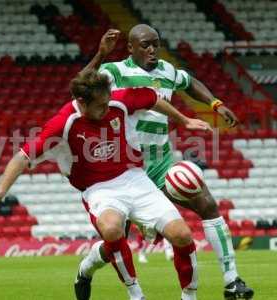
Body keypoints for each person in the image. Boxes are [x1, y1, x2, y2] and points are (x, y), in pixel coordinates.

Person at [0, 70, 213, 300]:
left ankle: (189, 296)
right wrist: (1, 190)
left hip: (135, 178)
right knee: (112, 230)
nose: (106, 108)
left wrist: (184, 120)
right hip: (99, 189)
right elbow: (22, 156)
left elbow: (152, 98)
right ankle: (136, 294)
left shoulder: (117, 100)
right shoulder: (63, 123)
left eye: (107, 101)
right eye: (100, 105)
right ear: (81, 102)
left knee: (182, 235)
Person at [76, 25, 253, 300]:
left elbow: (190, 82)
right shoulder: (115, 71)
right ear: (131, 48)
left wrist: (215, 104)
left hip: (160, 165)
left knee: (205, 202)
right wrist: (100, 54)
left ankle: (232, 281)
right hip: (124, 171)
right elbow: (83, 85)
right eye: (145, 45)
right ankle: (86, 268)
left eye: (155, 44)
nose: (152, 50)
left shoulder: (167, 71)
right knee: (115, 243)